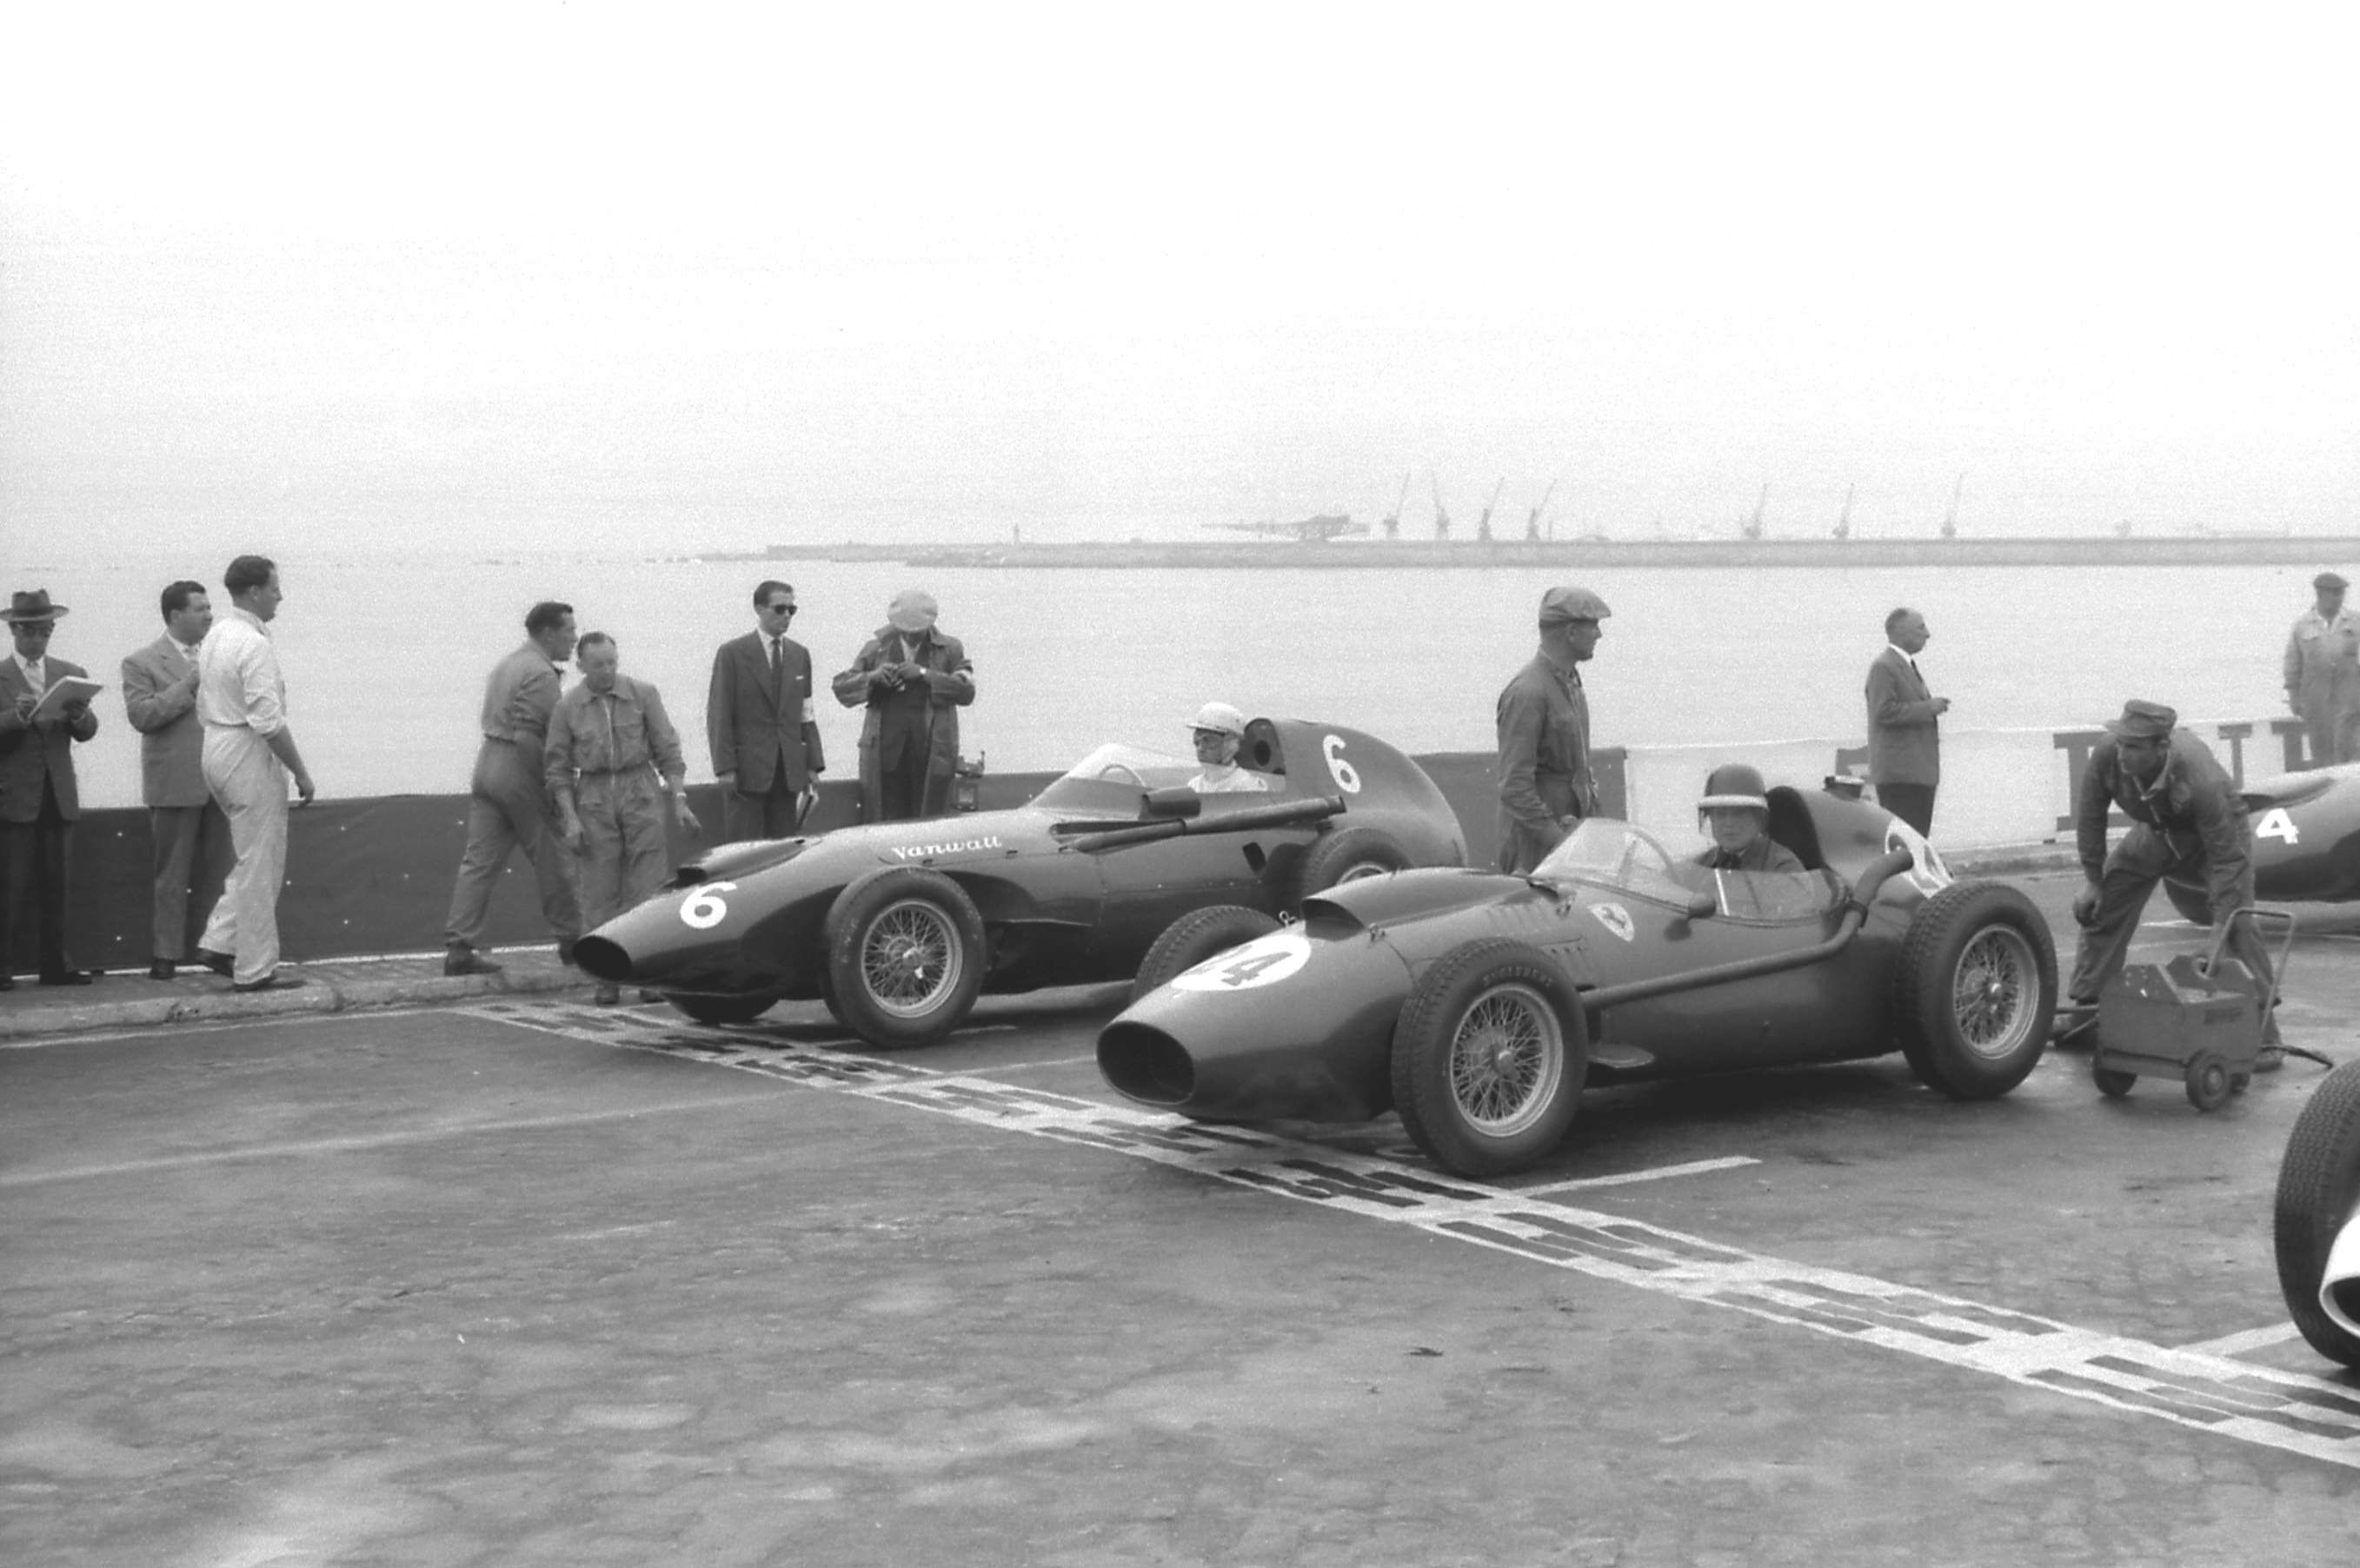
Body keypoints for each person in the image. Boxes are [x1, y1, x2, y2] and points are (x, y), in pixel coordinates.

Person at [2064, 700, 2282, 1072]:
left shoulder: (2202, 781)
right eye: (2121, 742)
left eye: (2134, 747)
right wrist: (2093, 881)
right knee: (2106, 903)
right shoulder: (2107, 754)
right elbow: (2091, 813)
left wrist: (2217, 932)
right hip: (2158, 831)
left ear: (2161, 747)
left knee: (2239, 924)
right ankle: (2087, 1012)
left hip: (2214, 839)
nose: (2122, 754)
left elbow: (2227, 860)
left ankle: (2264, 1032)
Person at [548, 634, 701, 1004]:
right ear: (581, 666)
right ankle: (606, 976)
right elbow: (557, 768)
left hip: (640, 790)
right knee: (599, 891)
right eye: (598, 665)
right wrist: (570, 819)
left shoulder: (643, 695)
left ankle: (648, 975)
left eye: (612, 662)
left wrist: (679, 799)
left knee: (648, 887)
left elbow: (668, 750)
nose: (607, 671)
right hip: (594, 796)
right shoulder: (568, 707)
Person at [193, 556, 316, 992]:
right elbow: (268, 721)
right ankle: (255, 968)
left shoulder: (216, 635)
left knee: (251, 857)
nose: (280, 596)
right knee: (262, 863)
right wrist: (300, 772)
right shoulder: (253, 643)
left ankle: (221, 941)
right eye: (274, 588)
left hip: (215, 744)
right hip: (245, 749)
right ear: (254, 592)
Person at [443, 601, 584, 976]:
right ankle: (572, 942)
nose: (575, 638)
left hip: (487, 761)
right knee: (552, 856)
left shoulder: (508, 664)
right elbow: (527, 735)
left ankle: (459, 946)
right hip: (518, 766)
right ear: (548, 633)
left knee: (479, 861)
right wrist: (551, 786)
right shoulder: (540, 673)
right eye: (569, 630)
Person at [123, 581, 233, 980]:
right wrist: (188, 683)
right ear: (175, 615)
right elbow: (142, 716)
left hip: (222, 778)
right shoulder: (140, 662)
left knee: (224, 871)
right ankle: (165, 954)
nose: (209, 615)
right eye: (200, 608)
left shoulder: (222, 653)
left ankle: (220, 949)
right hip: (173, 782)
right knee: (171, 874)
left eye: (209, 607)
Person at [0, 589, 102, 988]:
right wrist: (15, 717)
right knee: (8, 887)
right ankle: (2, 968)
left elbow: (88, 731)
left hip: (57, 794)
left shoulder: (68, 672)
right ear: (13, 630)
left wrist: (79, 715)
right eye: (29, 631)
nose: (37, 638)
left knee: (57, 886)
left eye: (44, 631)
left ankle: (56, 965)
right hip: (13, 795)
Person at [832, 589, 975, 822]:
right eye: (905, 630)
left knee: (929, 821)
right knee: (885, 822)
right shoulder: (875, 649)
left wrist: (924, 674)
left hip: (931, 756)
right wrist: (873, 677)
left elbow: (966, 692)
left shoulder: (950, 649)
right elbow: (842, 689)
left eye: (917, 632)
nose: (910, 636)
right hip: (885, 756)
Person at [1495, 584, 1609, 874]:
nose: (1599, 634)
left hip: (1568, 847)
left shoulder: (1571, 685)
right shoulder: (1528, 693)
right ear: (1571, 633)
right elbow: (1514, 787)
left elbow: (1580, 774)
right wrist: (1558, 841)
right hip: (1535, 857)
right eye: (1593, 626)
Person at [707, 580, 826, 842]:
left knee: (783, 847)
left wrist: (812, 764)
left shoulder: (799, 655)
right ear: (759, 609)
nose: (786, 616)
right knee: (744, 846)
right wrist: (724, 768)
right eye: (779, 609)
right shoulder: (732, 654)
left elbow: (806, 713)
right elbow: (719, 714)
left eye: (792, 610)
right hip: (747, 772)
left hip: (788, 771)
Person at [1865, 607, 1949, 838]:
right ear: (1902, 631)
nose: (1927, 634)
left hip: (1918, 772)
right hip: (1901, 774)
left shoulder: (1905, 666)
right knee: (1905, 841)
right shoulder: (1884, 667)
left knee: (1917, 840)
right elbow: (1883, 712)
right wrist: (1928, 708)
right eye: (1921, 628)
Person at [2284, 570, 2360, 767]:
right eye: (2334, 593)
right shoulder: (2302, 626)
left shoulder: (2356, 623)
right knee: (2322, 754)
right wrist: (2294, 697)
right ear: (2320, 594)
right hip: (2316, 702)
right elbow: (2293, 664)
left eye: (2341, 593)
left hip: (2350, 702)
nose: (2339, 598)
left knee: (2350, 753)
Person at [1691, 764, 1805, 873]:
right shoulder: (1700, 866)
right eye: (1720, 814)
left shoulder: (1784, 867)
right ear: (1711, 818)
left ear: (1759, 818)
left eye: (1739, 813)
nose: (1729, 823)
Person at [1185, 702, 1268, 794]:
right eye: (1197, 739)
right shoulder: (1194, 786)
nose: (1201, 748)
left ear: (1230, 744)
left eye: (1210, 740)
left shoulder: (1249, 787)